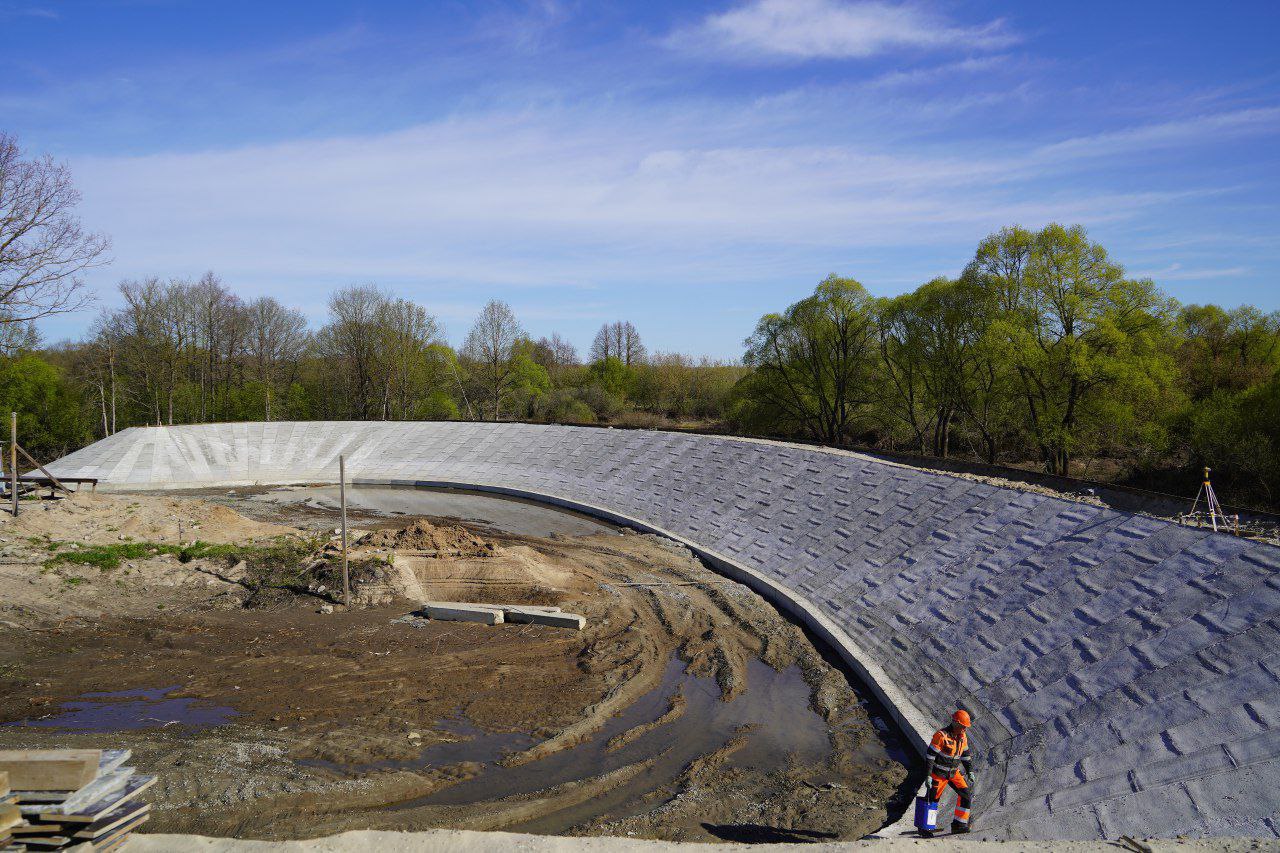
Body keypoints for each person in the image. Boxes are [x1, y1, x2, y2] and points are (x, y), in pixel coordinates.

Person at [921, 708, 975, 837]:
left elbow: (966, 755)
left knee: (966, 795)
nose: (964, 729)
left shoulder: (963, 737)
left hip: (953, 773)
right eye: (963, 727)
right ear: (955, 723)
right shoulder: (941, 736)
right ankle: (925, 829)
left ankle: (959, 825)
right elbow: (930, 756)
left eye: (965, 727)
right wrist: (928, 775)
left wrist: (970, 771)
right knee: (932, 800)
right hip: (938, 774)